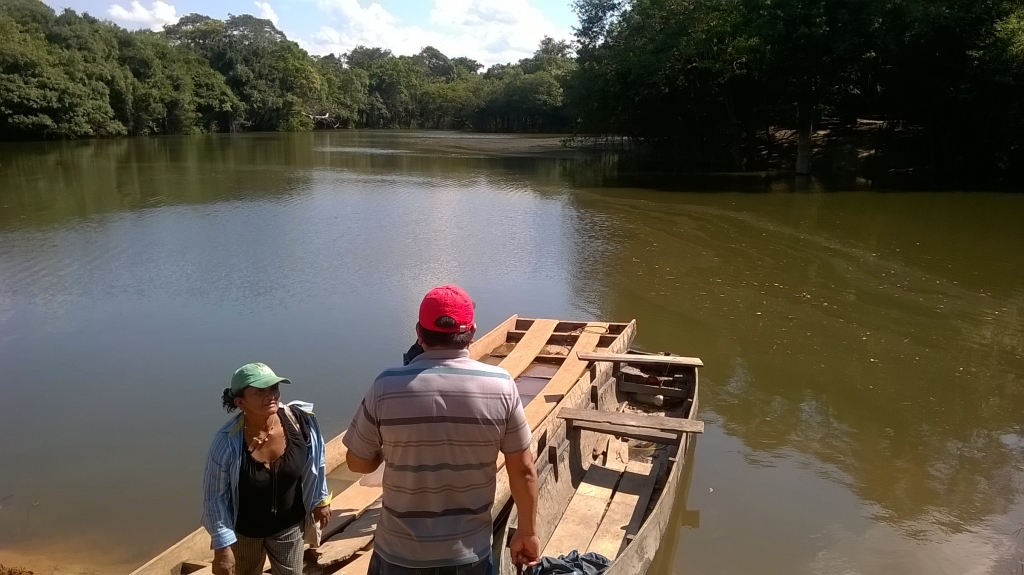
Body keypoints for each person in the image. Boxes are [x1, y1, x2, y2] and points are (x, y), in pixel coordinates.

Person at [344, 284, 541, 574]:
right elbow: (524, 470)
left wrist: (389, 450)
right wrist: (527, 532)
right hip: (468, 555)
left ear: (419, 333)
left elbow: (356, 462)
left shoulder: (386, 387)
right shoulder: (501, 386)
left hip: (398, 555)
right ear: (472, 333)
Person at [202, 362, 333, 575]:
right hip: (245, 533)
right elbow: (215, 498)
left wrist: (321, 500)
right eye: (260, 391)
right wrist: (222, 548)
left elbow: (317, 460)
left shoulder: (300, 421)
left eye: (274, 388)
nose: (271, 395)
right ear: (241, 402)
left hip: (289, 524)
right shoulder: (226, 443)